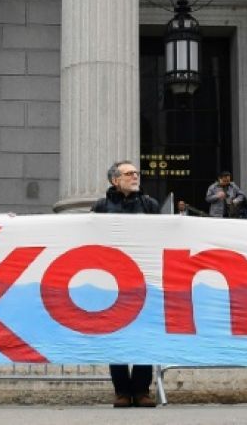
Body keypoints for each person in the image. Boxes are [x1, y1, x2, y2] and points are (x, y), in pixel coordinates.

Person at [92, 161, 159, 407]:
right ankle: (121, 391)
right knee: (115, 334)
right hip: (111, 280)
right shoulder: (101, 206)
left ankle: (141, 391)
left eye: (136, 173)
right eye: (129, 173)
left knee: (144, 334)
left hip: (143, 279)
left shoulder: (149, 205)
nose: (135, 176)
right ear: (115, 180)